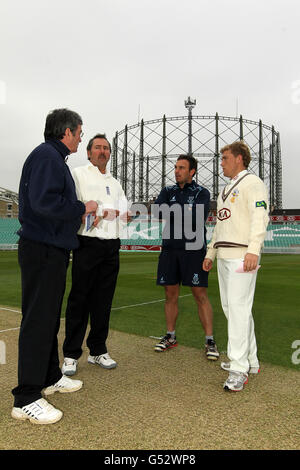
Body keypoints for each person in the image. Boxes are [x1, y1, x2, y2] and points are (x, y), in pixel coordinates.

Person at [11, 108, 98, 425]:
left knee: (47, 318)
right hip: (43, 249)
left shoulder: (51, 156)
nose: (80, 137)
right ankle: (26, 397)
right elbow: (44, 202)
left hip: (50, 248)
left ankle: (48, 377)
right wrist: (82, 207)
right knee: (38, 320)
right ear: (67, 131)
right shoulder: (48, 156)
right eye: (79, 132)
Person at [203, 141, 269, 392]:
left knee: (239, 309)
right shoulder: (227, 188)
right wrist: (211, 252)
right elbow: (220, 225)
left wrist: (254, 249)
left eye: (225, 158)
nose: (222, 162)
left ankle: (239, 368)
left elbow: (260, 217)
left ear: (239, 158)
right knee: (233, 309)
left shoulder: (252, 183)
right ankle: (250, 360)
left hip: (243, 255)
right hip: (225, 255)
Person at [61, 133, 130, 376]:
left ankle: (98, 350)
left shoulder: (116, 181)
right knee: (80, 299)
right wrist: (104, 211)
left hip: (111, 246)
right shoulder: (78, 174)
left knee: (104, 301)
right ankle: (70, 354)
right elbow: (77, 206)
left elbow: (126, 212)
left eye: (106, 148)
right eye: (98, 148)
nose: (102, 151)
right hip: (87, 243)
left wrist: (111, 212)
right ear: (89, 152)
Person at [153, 154, 219, 360]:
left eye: (182, 168)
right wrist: (183, 212)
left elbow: (197, 217)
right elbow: (157, 211)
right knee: (170, 295)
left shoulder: (202, 192)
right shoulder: (167, 191)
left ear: (192, 172)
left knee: (200, 295)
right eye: (175, 167)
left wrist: (172, 211)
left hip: (193, 250)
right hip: (169, 250)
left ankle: (209, 340)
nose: (177, 171)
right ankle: (170, 336)